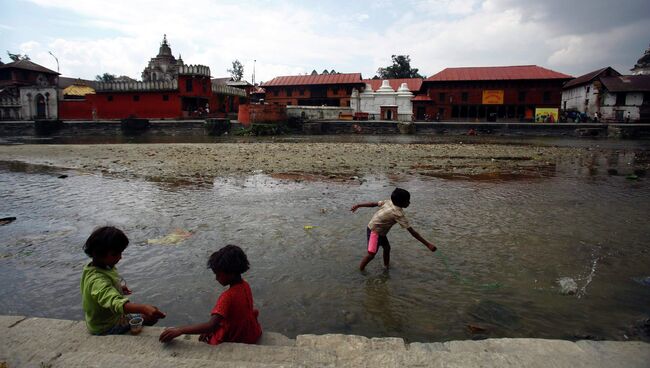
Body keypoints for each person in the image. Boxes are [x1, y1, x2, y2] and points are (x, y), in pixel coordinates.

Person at [159, 245, 262, 345]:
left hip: (239, 337)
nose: (216, 278)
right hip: (252, 332)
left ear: (230, 273)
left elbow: (211, 326)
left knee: (210, 340)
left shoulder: (227, 296)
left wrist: (179, 330)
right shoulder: (245, 285)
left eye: (218, 274)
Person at [81, 226, 166, 335]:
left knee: (151, 312)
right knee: (150, 317)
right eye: (115, 254)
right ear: (99, 253)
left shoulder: (99, 266)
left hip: (106, 318)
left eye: (120, 253)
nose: (120, 257)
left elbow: (102, 292)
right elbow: (115, 302)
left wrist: (118, 288)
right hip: (106, 326)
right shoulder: (96, 280)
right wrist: (143, 308)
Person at [351, 188, 437, 271]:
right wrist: (428, 244)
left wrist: (359, 205)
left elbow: (373, 204)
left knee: (387, 248)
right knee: (371, 254)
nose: (409, 203)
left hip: (378, 229)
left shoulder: (389, 202)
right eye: (407, 201)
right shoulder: (398, 214)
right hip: (374, 231)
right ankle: (361, 270)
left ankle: (386, 267)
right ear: (401, 202)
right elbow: (413, 232)